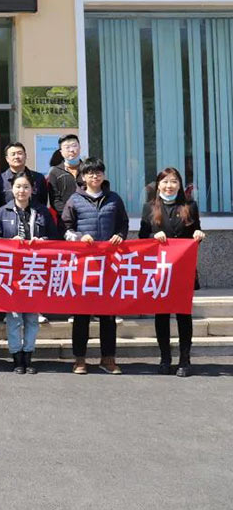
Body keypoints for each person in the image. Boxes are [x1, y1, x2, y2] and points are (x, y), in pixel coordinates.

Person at [61, 158, 128, 375]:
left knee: (108, 314)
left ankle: (108, 358)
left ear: (103, 175)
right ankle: (79, 359)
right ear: (82, 176)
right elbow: (65, 228)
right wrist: (79, 237)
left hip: (109, 264)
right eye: (89, 173)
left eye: (98, 172)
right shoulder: (75, 200)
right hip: (84, 265)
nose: (94, 176)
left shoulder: (114, 199)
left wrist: (120, 235)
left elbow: (123, 224)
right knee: (81, 314)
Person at [138, 168, 205, 377]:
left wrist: (198, 234)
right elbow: (142, 237)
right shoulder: (149, 207)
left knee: (184, 314)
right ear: (158, 185)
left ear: (180, 184)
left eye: (174, 181)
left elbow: (195, 231)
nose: (169, 185)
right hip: (160, 269)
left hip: (183, 269)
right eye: (165, 181)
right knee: (162, 315)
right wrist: (153, 236)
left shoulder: (189, 206)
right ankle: (165, 358)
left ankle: (185, 359)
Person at [0, 172, 58, 374]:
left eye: (26, 187)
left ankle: (28, 354)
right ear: (12, 189)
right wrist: (7, 243)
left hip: (34, 270)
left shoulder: (42, 212)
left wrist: (43, 241)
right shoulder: (2, 212)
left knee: (31, 317)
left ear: (32, 189)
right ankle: (16, 357)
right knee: (14, 317)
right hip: (11, 272)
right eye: (18, 186)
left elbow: (55, 238)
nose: (22, 190)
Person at [0, 142, 48, 208]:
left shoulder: (38, 178)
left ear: (25, 156)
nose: (16, 157)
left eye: (20, 153)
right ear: (7, 159)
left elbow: (43, 203)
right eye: (13, 154)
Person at [47, 133, 84, 225]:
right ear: (61, 152)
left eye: (74, 146)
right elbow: (55, 200)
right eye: (67, 147)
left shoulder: (88, 169)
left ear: (80, 148)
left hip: (87, 219)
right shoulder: (55, 172)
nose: (71, 150)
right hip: (65, 222)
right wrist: (69, 215)